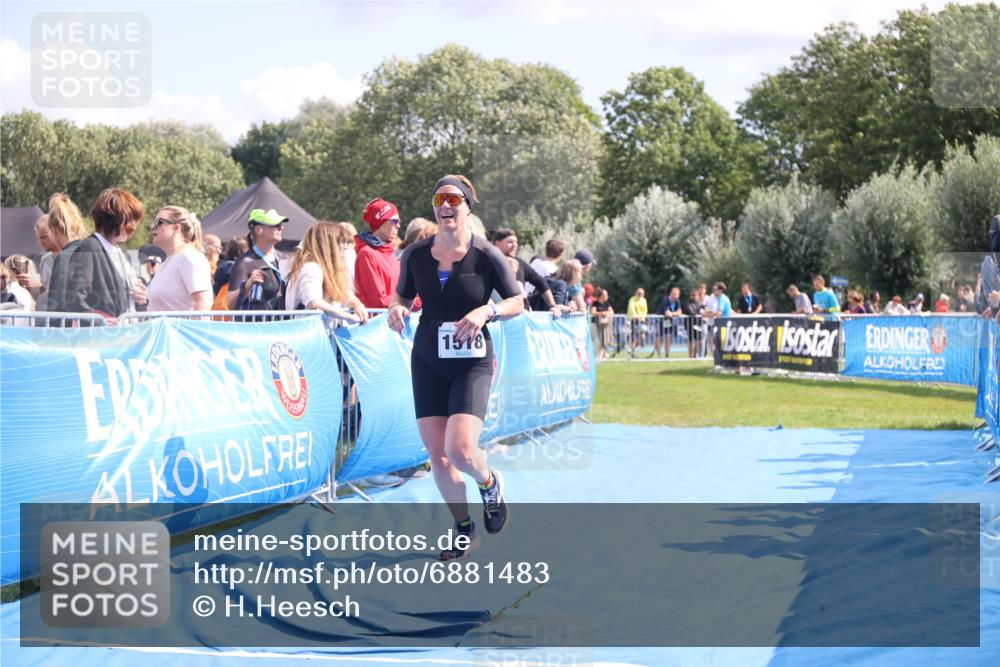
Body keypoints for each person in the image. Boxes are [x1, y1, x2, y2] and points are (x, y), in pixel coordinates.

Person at [387, 174, 522, 560]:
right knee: (438, 455)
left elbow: (517, 302)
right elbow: (402, 296)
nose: (445, 205)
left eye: (453, 199)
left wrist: (486, 311)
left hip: (471, 361)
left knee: (460, 449)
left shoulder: (487, 254)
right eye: (439, 199)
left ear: (467, 206)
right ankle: (464, 528)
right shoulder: (415, 255)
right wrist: (396, 309)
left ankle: (489, 483)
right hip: (428, 358)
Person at [47, 188, 147, 323]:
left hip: (127, 331)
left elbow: (130, 302)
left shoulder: (121, 253)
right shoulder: (90, 247)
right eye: (130, 219)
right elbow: (74, 298)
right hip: (105, 334)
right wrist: (101, 321)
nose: (134, 226)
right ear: (114, 217)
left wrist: (142, 299)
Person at [285, 222, 369, 324]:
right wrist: (348, 317)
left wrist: (357, 304)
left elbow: (344, 295)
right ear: (328, 245)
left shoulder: (328, 270)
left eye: (346, 242)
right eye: (341, 242)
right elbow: (313, 302)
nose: (345, 247)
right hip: (308, 330)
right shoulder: (311, 268)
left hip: (322, 330)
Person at [147, 206, 214, 312]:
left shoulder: (189, 257)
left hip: (181, 324)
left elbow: (203, 301)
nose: (153, 226)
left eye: (159, 222)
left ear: (177, 228)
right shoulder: (169, 260)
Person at [227, 209, 289, 311]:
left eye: (281, 225)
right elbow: (230, 305)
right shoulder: (244, 263)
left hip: (282, 320)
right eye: (276, 225)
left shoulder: (284, 258)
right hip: (255, 321)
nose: (281, 228)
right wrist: (248, 284)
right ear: (259, 229)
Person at [492, 228, 560, 314]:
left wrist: (552, 306)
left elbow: (541, 282)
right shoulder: (489, 263)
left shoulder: (519, 263)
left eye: (516, 242)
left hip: (523, 314)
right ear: (497, 243)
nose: (514, 245)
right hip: (499, 315)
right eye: (510, 242)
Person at [355, 198, 401, 309]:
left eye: (399, 221)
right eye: (394, 221)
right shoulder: (367, 254)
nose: (398, 226)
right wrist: (412, 299)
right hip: (379, 319)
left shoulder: (389, 251)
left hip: (395, 316)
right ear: (380, 224)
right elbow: (379, 302)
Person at [657, 287, 683, 358]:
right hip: (661, 320)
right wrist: (674, 313)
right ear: (671, 294)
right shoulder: (665, 300)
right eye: (674, 294)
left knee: (668, 337)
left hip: (669, 321)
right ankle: (659, 355)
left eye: (677, 294)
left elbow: (679, 312)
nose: (675, 296)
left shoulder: (677, 301)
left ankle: (667, 355)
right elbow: (667, 313)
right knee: (660, 337)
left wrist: (672, 313)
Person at [591, 288, 614, 360]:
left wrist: (606, 313)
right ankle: (598, 356)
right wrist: (601, 313)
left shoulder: (606, 303)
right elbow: (593, 312)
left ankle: (603, 354)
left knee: (604, 340)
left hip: (604, 325)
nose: (607, 296)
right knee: (597, 340)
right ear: (601, 296)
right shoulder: (595, 303)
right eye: (605, 295)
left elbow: (612, 312)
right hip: (595, 324)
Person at [627, 287, 648, 356]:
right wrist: (635, 315)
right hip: (633, 320)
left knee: (642, 336)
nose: (640, 295)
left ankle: (631, 349)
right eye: (639, 293)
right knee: (633, 336)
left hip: (642, 320)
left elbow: (645, 310)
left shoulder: (644, 300)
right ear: (636, 293)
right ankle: (632, 352)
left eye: (641, 293)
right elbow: (632, 308)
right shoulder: (632, 299)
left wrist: (643, 317)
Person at [685, 286, 705, 357]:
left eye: (696, 295)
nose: (695, 297)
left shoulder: (699, 303)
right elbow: (691, 312)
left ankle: (694, 354)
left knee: (699, 341)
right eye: (693, 295)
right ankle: (690, 355)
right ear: (691, 296)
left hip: (698, 324)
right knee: (691, 341)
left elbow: (703, 311)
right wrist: (699, 312)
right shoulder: (688, 303)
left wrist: (702, 310)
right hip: (690, 324)